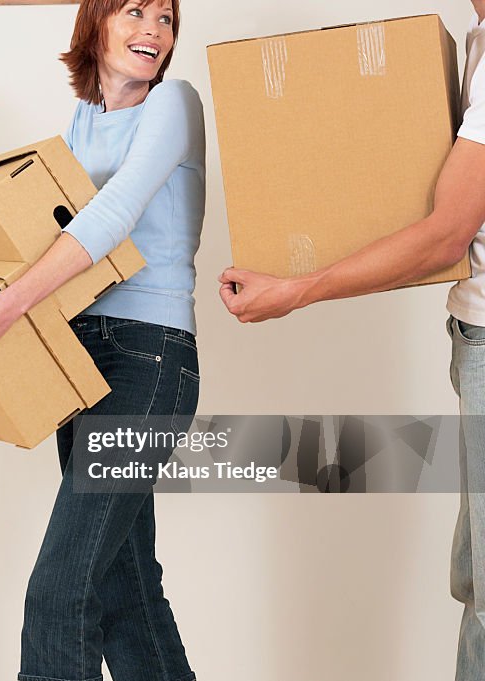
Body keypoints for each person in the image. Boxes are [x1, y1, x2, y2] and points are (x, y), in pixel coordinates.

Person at [0, 1, 204, 678]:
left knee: (59, 591)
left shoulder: (174, 103)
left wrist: (5, 307)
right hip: (84, 354)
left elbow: (113, 216)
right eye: (135, 11)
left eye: (166, 17)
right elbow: (37, 249)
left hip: (148, 362)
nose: (153, 30)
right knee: (126, 594)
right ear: (95, 23)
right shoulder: (84, 120)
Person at [218, 3, 485, 678]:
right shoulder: (480, 37)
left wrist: (297, 288)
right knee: (474, 578)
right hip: (473, 333)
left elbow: (446, 233)